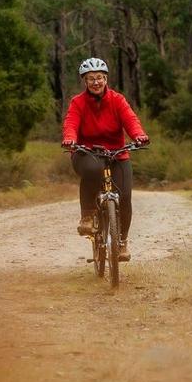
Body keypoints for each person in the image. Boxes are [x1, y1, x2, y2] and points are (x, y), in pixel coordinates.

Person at [61, 57, 149, 261]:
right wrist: (70, 139)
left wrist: (139, 135)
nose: (96, 82)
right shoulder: (78, 102)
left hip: (117, 153)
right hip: (86, 152)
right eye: (91, 78)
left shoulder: (117, 100)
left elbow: (131, 119)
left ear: (106, 79)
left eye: (99, 78)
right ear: (85, 81)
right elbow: (71, 123)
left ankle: (122, 242)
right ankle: (88, 215)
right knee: (93, 169)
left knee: (125, 196)